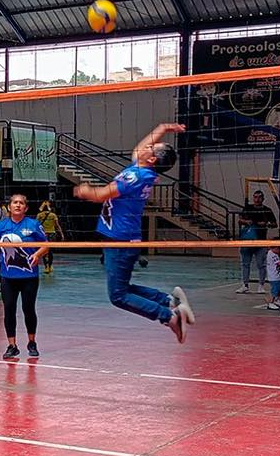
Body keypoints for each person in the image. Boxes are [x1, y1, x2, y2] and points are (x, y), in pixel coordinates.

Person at [73, 123, 194, 343]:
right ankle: (170, 302)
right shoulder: (141, 169)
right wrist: (164, 127)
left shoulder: (136, 176)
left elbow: (102, 195)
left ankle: (170, 316)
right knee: (122, 289)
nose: (146, 146)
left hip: (120, 240)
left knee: (118, 296)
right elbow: (140, 148)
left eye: (152, 147)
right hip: (121, 237)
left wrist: (86, 191)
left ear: (152, 159)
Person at [0, 194, 50, 359]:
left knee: (28, 309)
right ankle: (12, 345)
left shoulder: (33, 224)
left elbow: (46, 245)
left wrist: (37, 254)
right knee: (9, 309)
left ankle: (32, 342)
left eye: (21, 203)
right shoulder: (2, 226)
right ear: (9, 207)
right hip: (8, 276)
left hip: (29, 276)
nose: (17, 205)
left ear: (25, 208)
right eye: (14, 203)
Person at [237, 190, 277, 292]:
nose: (257, 199)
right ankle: (245, 285)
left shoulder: (267, 210)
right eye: (255, 197)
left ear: (263, 199)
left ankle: (261, 285)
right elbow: (240, 220)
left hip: (261, 241)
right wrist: (247, 221)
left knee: (261, 264)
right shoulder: (248, 208)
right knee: (245, 264)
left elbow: (274, 224)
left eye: (259, 197)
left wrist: (266, 224)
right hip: (247, 240)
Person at [36, 200, 64, 275]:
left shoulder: (39, 215)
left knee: (44, 251)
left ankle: (46, 267)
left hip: (43, 234)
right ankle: (50, 266)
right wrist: (61, 234)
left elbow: (36, 225)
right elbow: (57, 225)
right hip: (52, 234)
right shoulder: (53, 215)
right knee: (50, 251)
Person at [263, 236, 280, 310]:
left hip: (278, 276)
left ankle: (278, 300)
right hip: (274, 277)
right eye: (279, 249)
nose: (279, 251)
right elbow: (279, 263)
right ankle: (271, 302)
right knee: (275, 291)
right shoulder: (272, 254)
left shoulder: (274, 254)